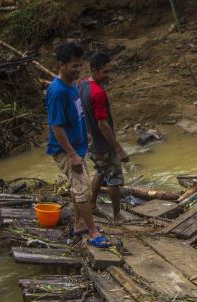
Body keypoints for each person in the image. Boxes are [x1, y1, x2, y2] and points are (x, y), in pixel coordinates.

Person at [45, 42, 109, 248]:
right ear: (62, 65)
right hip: (65, 149)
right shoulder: (57, 92)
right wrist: (72, 154)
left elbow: (76, 114)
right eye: (74, 66)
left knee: (77, 187)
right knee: (83, 191)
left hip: (78, 144)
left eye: (80, 65)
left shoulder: (72, 84)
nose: (78, 69)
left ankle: (79, 224)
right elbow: (56, 126)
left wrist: (86, 133)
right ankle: (92, 231)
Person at [79, 53, 129, 224]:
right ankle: (117, 216)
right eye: (105, 72)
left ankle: (92, 204)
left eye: (110, 72)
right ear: (95, 70)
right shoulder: (98, 92)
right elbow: (103, 124)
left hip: (91, 142)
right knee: (114, 179)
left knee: (100, 172)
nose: (109, 76)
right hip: (103, 144)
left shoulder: (83, 84)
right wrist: (119, 148)